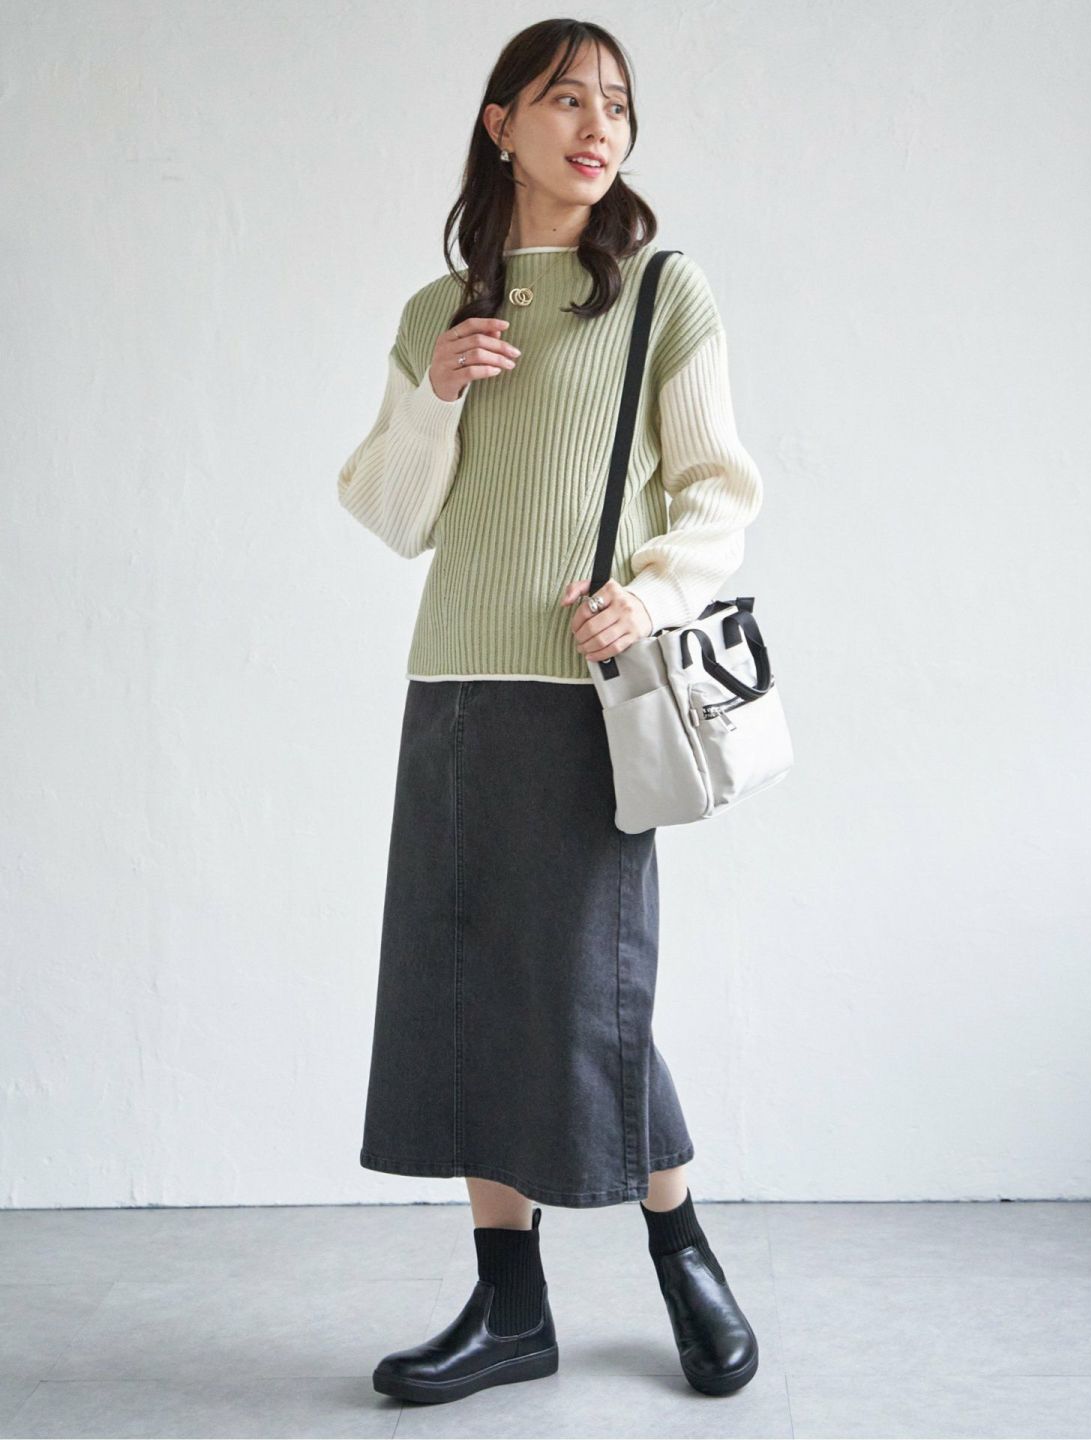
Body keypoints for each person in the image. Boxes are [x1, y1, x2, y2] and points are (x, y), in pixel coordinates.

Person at [337, 18, 765, 1406]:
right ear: (501, 123)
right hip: (456, 687)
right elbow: (393, 515)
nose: (598, 128)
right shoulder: (439, 314)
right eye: (567, 100)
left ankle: (681, 1248)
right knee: (469, 987)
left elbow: (717, 489)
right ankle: (509, 1305)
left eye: (617, 106)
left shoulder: (660, 291)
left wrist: (647, 594)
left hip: (589, 696)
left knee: (589, 992)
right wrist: (435, 399)